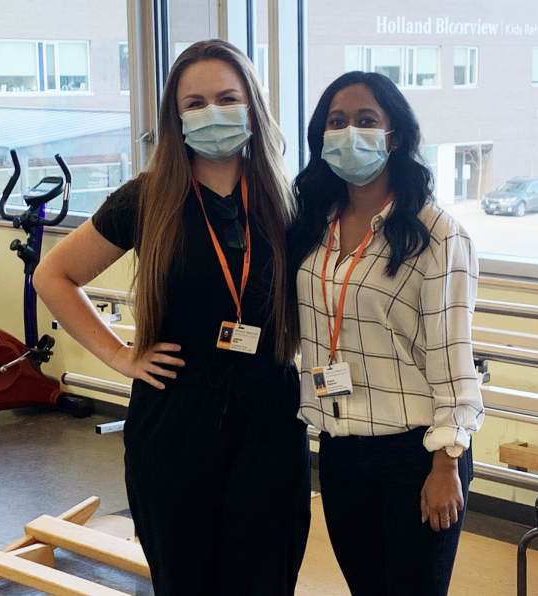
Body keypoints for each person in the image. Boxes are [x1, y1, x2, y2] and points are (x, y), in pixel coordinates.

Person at [34, 39, 310, 596]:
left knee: (266, 579)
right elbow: (52, 276)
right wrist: (117, 353)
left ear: (253, 106)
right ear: (175, 116)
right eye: (195, 103)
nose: (213, 113)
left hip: (269, 419)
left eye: (227, 98)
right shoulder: (147, 198)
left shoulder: (288, 199)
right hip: (177, 417)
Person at [288, 71, 484, 596]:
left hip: (417, 454)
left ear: (393, 136)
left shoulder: (436, 233)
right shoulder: (313, 225)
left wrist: (447, 463)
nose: (349, 130)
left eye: (366, 120)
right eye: (336, 121)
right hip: (340, 450)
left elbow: (453, 358)